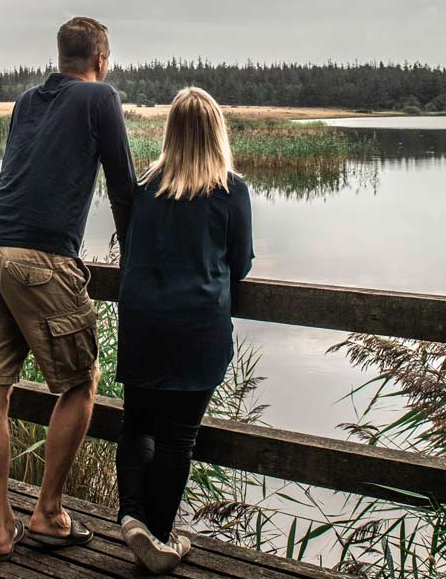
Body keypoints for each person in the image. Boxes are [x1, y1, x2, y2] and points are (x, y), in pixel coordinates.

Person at [0, 16, 136, 561]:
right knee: (81, 382)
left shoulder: (25, 102)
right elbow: (123, 188)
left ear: (60, 57)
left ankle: (1, 530)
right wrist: (134, 255)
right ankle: (47, 513)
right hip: (39, 258)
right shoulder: (102, 98)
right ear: (101, 60)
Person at [115, 86, 254, 574]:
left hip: (142, 321)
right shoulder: (231, 191)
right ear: (217, 133)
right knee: (178, 438)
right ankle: (157, 535)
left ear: (171, 132)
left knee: (137, 423)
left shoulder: (144, 188)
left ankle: (133, 517)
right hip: (197, 326)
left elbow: (131, 249)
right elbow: (241, 264)